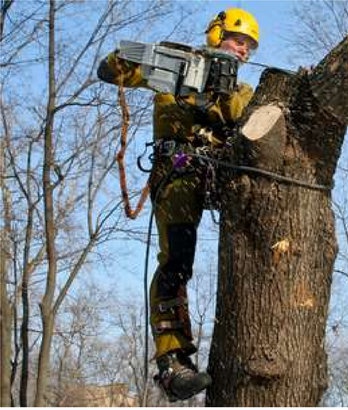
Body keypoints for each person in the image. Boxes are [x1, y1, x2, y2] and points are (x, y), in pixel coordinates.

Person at [97, 8, 260, 402]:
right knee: (177, 260)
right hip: (180, 171)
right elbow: (110, 71)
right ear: (217, 33)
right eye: (239, 40)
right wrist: (144, 58)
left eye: (250, 47)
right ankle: (172, 363)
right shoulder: (176, 68)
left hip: (223, 174)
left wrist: (217, 101)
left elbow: (248, 122)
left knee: (256, 244)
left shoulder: (242, 92)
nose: (244, 50)